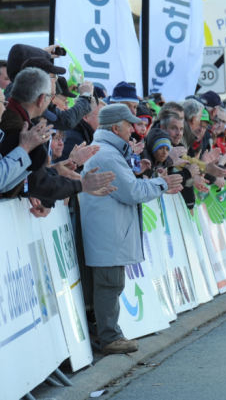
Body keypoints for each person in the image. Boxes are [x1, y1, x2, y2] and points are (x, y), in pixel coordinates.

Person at [80, 104, 183, 356]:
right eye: (129, 125)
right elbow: (133, 192)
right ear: (116, 127)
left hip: (109, 231)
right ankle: (110, 337)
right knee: (109, 285)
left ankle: (107, 333)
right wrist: (161, 183)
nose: (134, 130)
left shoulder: (108, 151)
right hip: (107, 233)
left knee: (109, 285)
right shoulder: (107, 154)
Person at [0, 68, 116, 209]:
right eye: (51, 97)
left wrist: (54, 170)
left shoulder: (25, 127)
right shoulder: (19, 129)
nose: (5, 108)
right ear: (42, 99)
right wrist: (81, 185)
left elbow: (27, 180)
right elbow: (34, 183)